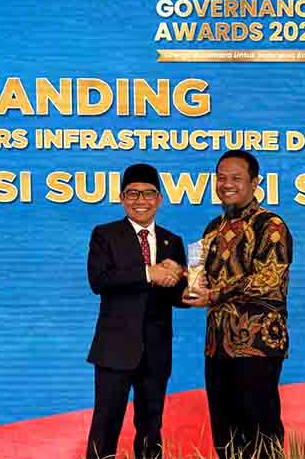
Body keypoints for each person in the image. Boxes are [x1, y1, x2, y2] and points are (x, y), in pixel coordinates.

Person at [184, 150, 293, 458]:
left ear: (255, 182)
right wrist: (185, 281)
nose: (227, 184)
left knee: (261, 431)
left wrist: (214, 295)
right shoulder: (212, 229)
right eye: (221, 178)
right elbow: (202, 278)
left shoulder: (270, 225)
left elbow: (269, 279)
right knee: (225, 434)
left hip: (258, 344)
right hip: (217, 345)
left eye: (236, 178)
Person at [85, 163, 188, 459]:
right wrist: (148, 273)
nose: (140, 200)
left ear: (159, 199)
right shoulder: (105, 234)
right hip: (114, 349)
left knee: (151, 429)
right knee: (105, 426)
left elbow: (174, 296)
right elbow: (99, 280)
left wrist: (192, 291)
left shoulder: (172, 241)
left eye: (148, 193)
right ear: (121, 198)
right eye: (132, 193)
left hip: (156, 351)